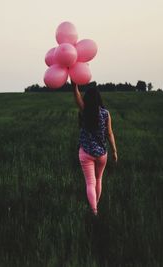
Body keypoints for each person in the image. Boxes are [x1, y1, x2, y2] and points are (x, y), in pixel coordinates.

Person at [72, 81, 118, 216]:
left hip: (86, 152)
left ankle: (94, 211)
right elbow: (109, 133)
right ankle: (95, 205)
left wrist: (74, 83)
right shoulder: (106, 113)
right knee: (98, 180)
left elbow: (76, 94)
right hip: (102, 153)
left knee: (90, 183)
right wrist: (114, 151)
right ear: (99, 98)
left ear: (86, 98)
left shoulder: (84, 110)